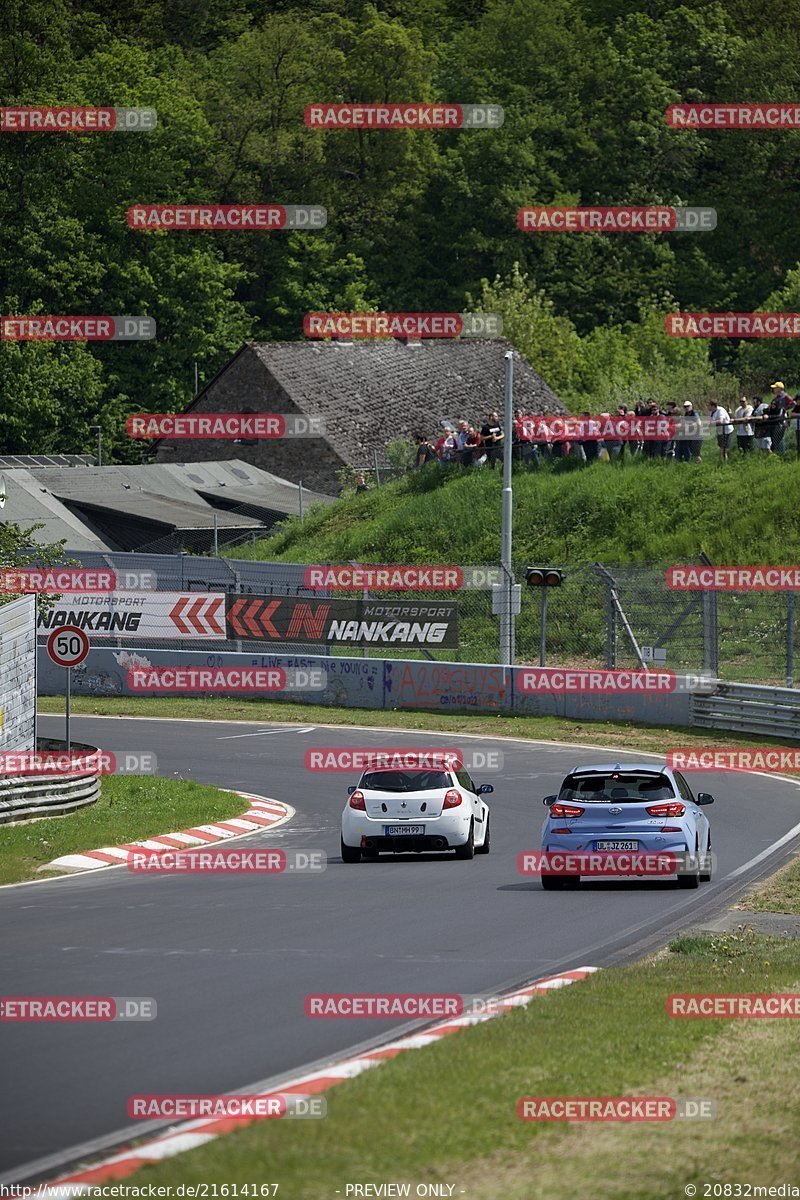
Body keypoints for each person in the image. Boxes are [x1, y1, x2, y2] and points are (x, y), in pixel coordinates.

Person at [767, 381, 791, 454]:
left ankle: (782, 454)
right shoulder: (776, 398)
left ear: (779, 388)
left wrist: (785, 408)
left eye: (775, 388)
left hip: (781, 420)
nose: (774, 389)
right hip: (775, 420)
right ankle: (777, 454)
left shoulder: (785, 396)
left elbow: (793, 403)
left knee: (780, 437)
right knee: (775, 438)